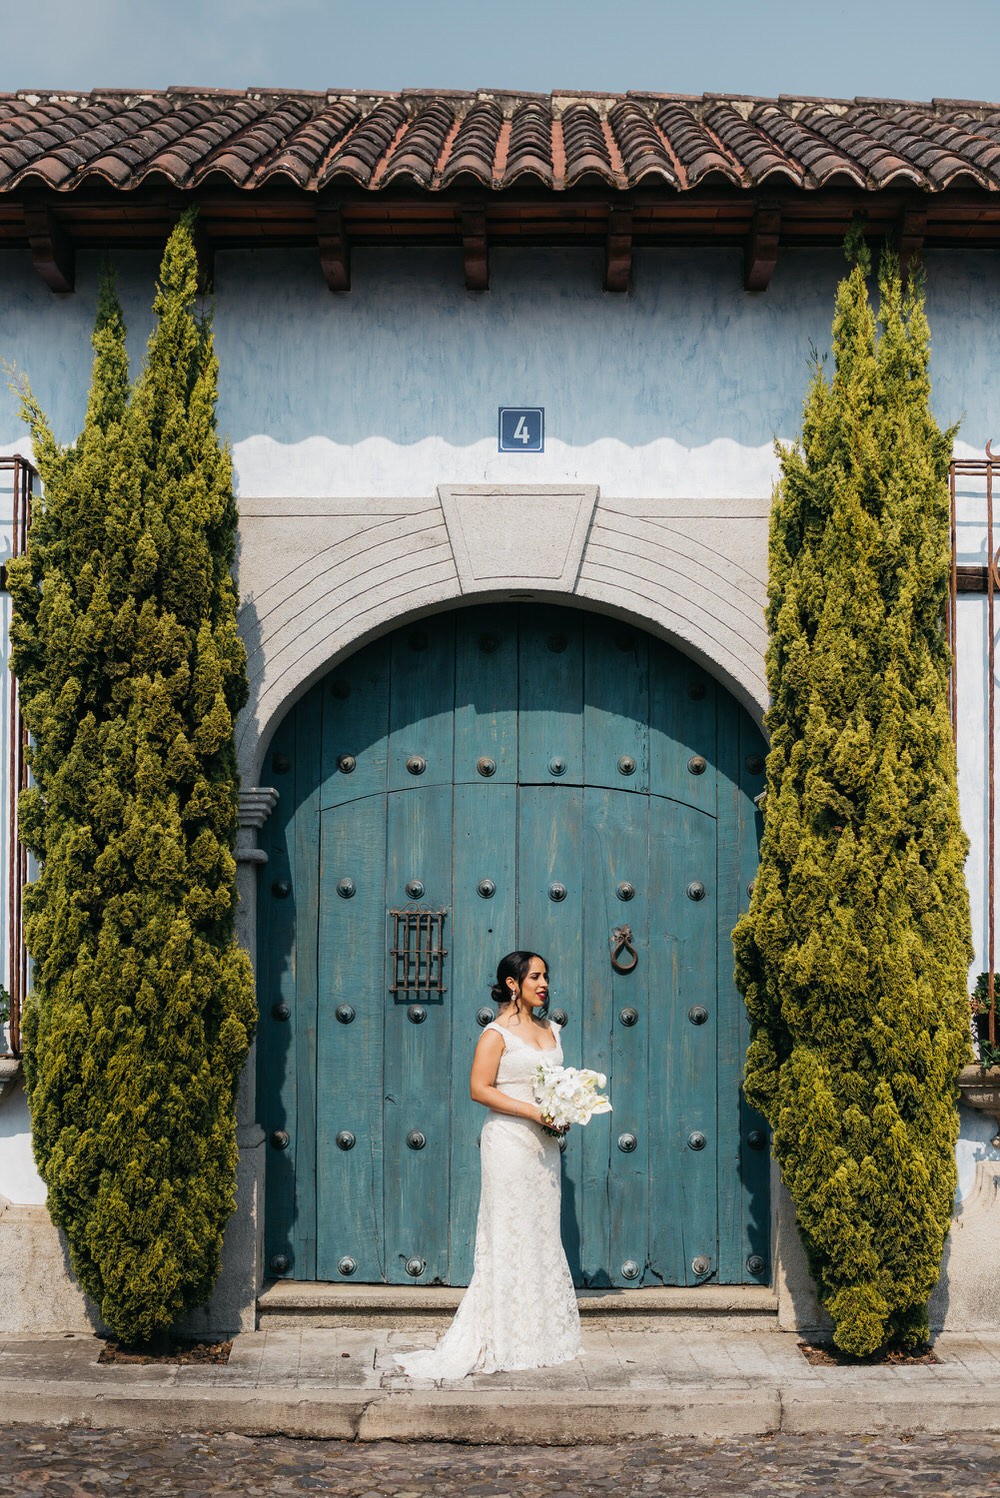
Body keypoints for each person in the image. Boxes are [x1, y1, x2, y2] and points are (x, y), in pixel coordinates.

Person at [394, 950, 582, 1380]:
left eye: (546, 976)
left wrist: (564, 1107)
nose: (544, 984)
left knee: (541, 1230)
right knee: (510, 1231)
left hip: (544, 1147)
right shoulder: (495, 1034)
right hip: (509, 1143)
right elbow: (479, 1089)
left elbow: (554, 1084)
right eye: (535, 976)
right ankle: (501, 1334)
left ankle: (539, 1335)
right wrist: (532, 1111)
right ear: (512, 984)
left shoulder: (551, 1030)